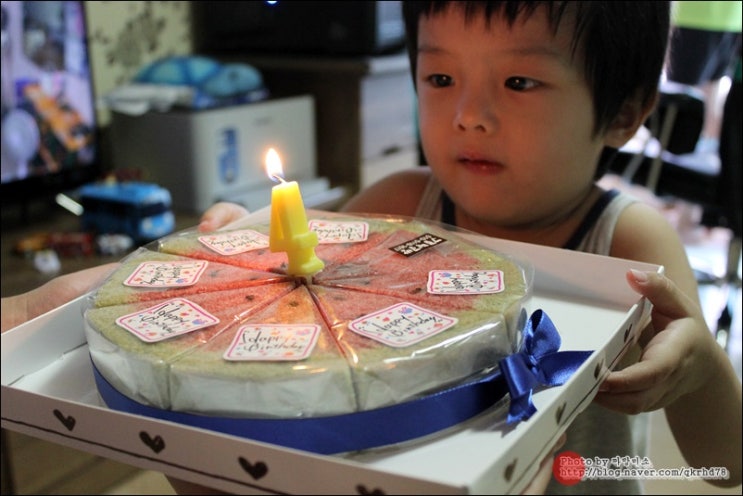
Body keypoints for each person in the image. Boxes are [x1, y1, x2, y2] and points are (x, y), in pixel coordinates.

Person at [200, 1, 741, 493]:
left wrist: (699, 375)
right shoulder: (397, 206)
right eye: (440, 78)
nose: (468, 114)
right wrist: (244, 256)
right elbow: (303, 287)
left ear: (623, 111)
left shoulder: (629, 245)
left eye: (518, 81)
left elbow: (726, 464)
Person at [665, 1, 742, 154]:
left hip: (716, 16)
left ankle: (695, 146)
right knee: (686, 94)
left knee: (690, 95)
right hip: (709, 15)